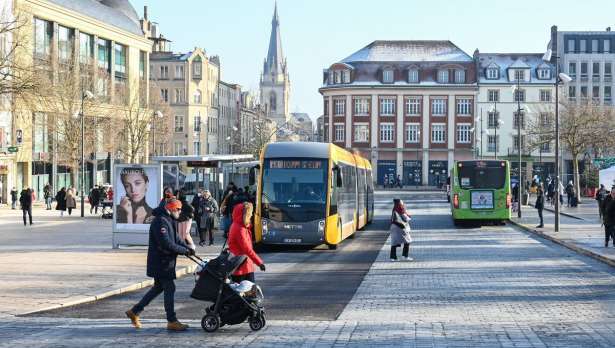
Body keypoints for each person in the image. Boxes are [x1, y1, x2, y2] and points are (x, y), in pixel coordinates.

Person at [125, 197, 194, 331]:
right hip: (161, 262)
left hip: (164, 262)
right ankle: (172, 320)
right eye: (178, 209)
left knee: (158, 288)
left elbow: (176, 238)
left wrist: (188, 248)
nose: (180, 212)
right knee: (170, 288)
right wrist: (184, 251)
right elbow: (166, 243)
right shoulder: (160, 222)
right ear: (171, 209)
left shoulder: (169, 219)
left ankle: (135, 311)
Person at [227, 202, 265, 283]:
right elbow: (247, 249)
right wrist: (259, 262)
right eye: (250, 213)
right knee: (248, 291)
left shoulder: (236, 225)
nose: (251, 215)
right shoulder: (240, 229)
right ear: (245, 215)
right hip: (243, 266)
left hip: (239, 265)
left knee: (241, 292)